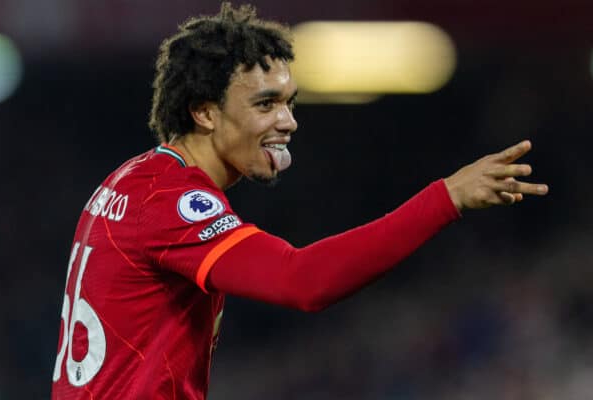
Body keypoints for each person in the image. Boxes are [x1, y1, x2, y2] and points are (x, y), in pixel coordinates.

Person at [51, 3, 548, 399]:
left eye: (290, 102)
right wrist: (446, 198)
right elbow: (302, 280)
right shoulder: (170, 201)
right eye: (265, 104)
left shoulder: (135, 179)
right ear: (204, 112)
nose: (288, 122)